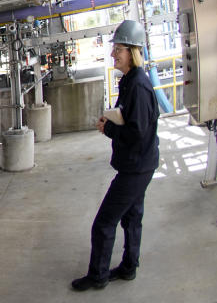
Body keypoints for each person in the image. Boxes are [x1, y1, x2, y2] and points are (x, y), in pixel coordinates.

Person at [71, 19, 160, 291]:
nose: (113, 54)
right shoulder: (130, 82)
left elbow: (138, 133)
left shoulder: (139, 87)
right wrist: (112, 121)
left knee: (104, 222)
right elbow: (133, 122)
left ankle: (98, 276)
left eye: (118, 49)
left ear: (132, 51)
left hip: (136, 167)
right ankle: (129, 267)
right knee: (132, 217)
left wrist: (108, 128)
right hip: (138, 164)